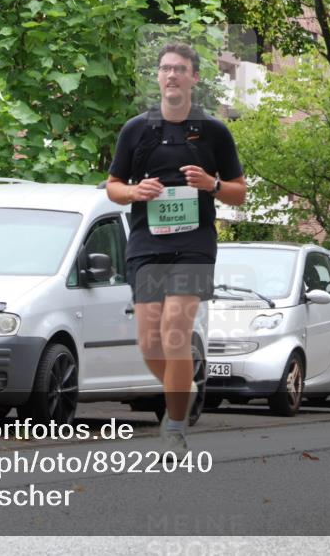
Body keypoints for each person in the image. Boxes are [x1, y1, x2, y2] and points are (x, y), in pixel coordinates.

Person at [106, 43, 246, 457]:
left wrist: (212, 185)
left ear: (194, 78)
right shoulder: (136, 130)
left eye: (180, 69)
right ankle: (183, 387)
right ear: (159, 77)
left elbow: (239, 193)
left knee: (174, 333)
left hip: (194, 244)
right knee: (149, 341)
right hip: (147, 243)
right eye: (165, 69)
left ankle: (176, 425)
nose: (171, 76)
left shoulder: (215, 131)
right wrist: (134, 190)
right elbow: (113, 187)